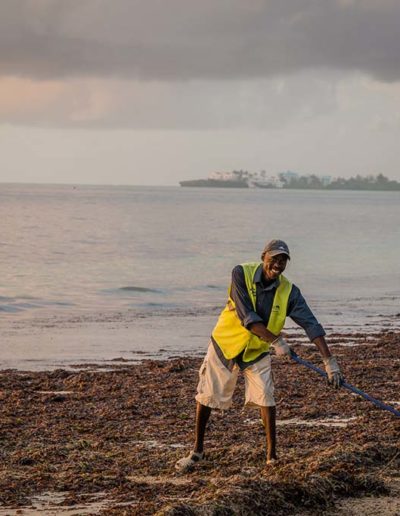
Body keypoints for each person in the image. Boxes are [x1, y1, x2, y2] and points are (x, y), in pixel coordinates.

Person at [175, 239, 343, 473]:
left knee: (266, 396)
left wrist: (329, 361)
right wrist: (277, 341)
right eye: (274, 258)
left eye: (283, 260)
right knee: (207, 395)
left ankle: (271, 457)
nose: (278, 264)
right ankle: (197, 451)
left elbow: (311, 324)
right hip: (226, 343)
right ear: (263, 256)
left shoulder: (289, 291)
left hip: (257, 350)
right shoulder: (240, 273)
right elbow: (247, 316)